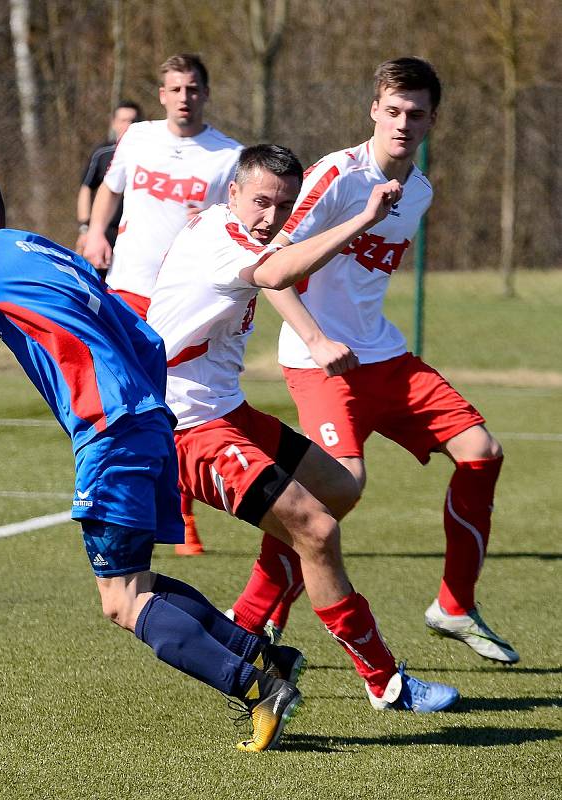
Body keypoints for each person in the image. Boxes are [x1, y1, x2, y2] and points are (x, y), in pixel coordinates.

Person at [0, 151, 308, 753]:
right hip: (150, 422)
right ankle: (266, 657)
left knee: (123, 602)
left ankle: (255, 688)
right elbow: (143, 336)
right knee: (140, 580)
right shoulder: (54, 253)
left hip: (110, 431)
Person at [147, 143, 460, 717]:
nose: (272, 217)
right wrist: (362, 218)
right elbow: (280, 270)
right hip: (185, 424)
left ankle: (248, 622)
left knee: (338, 489)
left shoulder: (226, 225)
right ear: (233, 192)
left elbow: (274, 267)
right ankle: (384, 682)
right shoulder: (227, 241)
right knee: (315, 528)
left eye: (284, 205)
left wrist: (315, 333)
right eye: (261, 201)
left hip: (225, 408)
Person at [231, 57, 518, 664]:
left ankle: (454, 605)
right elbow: (269, 269)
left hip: (383, 355)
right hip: (320, 362)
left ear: (433, 119)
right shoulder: (337, 175)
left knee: (481, 453)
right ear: (373, 111)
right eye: (392, 111)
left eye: (416, 113)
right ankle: (253, 615)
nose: (403, 123)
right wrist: (315, 340)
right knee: (343, 488)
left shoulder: (420, 191)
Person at [83, 53, 243, 556]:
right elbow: (110, 191)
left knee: (171, 407)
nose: (184, 98)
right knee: (125, 402)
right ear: (161, 94)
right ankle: (117, 505)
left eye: (192, 89)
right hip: (127, 286)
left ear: (205, 92)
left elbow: (245, 221)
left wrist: (215, 214)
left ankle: (182, 517)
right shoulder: (139, 138)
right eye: (175, 89)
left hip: (183, 299)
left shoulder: (227, 155)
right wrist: (93, 235)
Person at [74, 100, 142, 269]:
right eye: (123, 120)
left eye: (132, 121)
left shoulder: (150, 153)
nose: (128, 125)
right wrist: (85, 229)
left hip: (137, 232)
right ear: (113, 122)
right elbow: (86, 188)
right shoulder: (102, 153)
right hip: (106, 231)